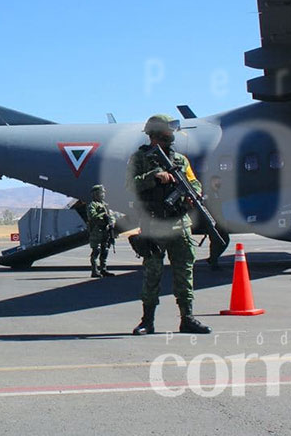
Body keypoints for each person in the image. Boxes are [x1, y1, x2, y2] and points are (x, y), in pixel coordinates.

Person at [127, 114, 212, 336]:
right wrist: (155, 175)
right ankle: (148, 320)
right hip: (153, 224)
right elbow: (130, 185)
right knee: (152, 274)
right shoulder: (139, 159)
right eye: (166, 133)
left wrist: (195, 192)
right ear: (154, 135)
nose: (170, 137)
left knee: (185, 272)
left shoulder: (181, 161)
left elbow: (193, 181)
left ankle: (187, 318)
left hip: (179, 224)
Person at [86, 185, 115, 278]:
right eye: (100, 193)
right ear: (95, 194)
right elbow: (92, 216)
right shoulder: (92, 205)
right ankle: (94, 270)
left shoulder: (105, 205)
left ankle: (103, 269)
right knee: (96, 250)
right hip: (96, 230)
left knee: (104, 250)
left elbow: (111, 216)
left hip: (105, 230)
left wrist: (111, 222)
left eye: (103, 193)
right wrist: (103, 215)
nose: (102, 195)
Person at [204, 175, 230, 271]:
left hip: (220, 222)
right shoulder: (208, 194)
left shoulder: (217, 193)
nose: (218, 183)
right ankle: (214, 264)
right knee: (215, 243)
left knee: (225, 241)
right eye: (216, 182)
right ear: (212, 182)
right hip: (212, 222)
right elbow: (205, 208)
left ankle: (212, 259)